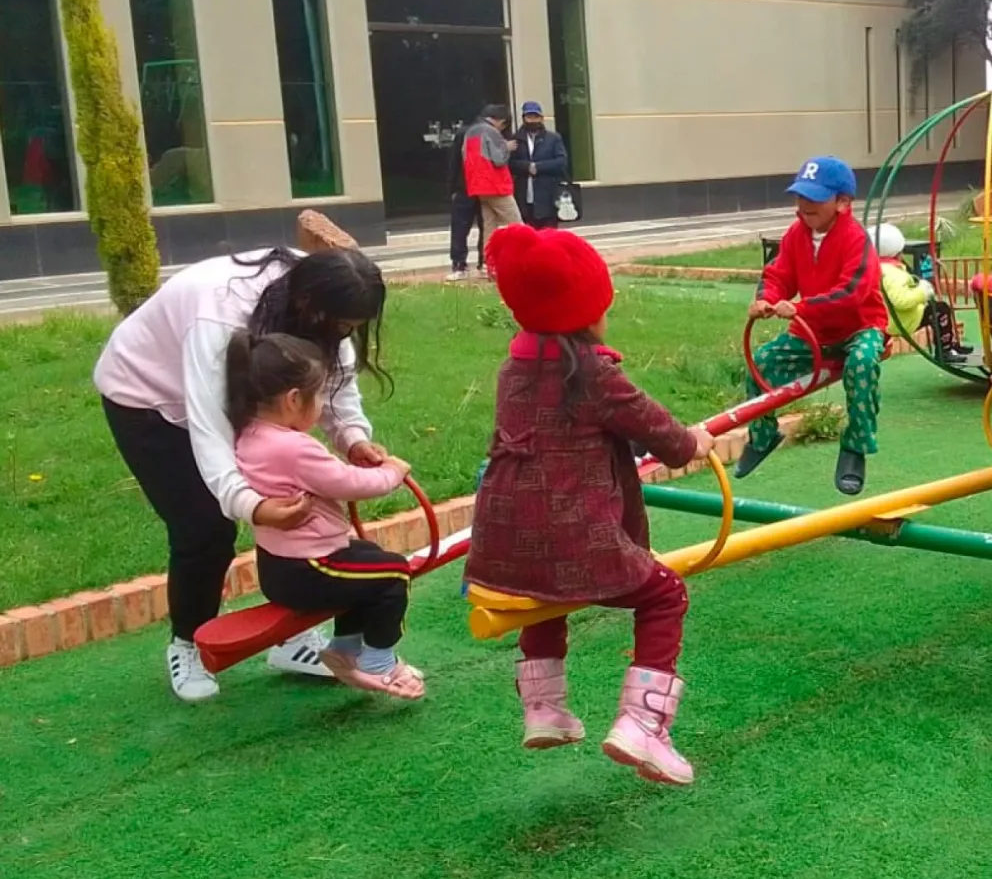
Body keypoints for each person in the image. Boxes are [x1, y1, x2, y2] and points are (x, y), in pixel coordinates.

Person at [94, 212, 394, 702]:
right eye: (342, 326)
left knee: (297, 502)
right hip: (148, 399)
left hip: (240, 392)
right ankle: (189, 642)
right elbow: (210, 426)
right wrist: (250, 505)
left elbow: (334, 377)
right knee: (205, 528)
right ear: (308, 307)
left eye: (353, 328)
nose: (345, 335)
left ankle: (291, 640)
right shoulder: (220, 314)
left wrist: (352, 438)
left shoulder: (324, 293)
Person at [465, 224, 714, 786]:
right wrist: (695, 441)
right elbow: (664, 436)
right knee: (665, 593)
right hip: (575, 539)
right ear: (587, 313)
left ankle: (544, 709)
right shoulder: (595, 375)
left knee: (544, 595)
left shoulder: (514, 369)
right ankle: (643, 724)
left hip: (502, 544)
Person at [228, 331, 425, 700]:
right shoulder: (293, 448)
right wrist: (392, 474)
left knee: (368, 556)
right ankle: (379, 661)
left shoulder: (251, 433)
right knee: (394, 572)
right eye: (319, 396)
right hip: (309, 569)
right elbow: (346, 483)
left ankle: (345, 648)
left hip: (280, 565)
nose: (321, 405)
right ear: (292, 400)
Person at [737, 156, 888, 496]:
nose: (804, 205)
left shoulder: (855, 239)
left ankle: (856, 446)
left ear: (842, 203)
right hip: (813, 331)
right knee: (762, 362)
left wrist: (801, 307)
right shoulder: (796, 234)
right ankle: (763, 435)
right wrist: (766, 299)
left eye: (815, 198)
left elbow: (852, 293)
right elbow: (778, 275)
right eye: (800, 196)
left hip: (859, 327)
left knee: (863, 363)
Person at [875, 223, 970, 364]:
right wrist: (922, 291)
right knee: (941, 310)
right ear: (898, 253)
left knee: (937, 308)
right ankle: (945, 352)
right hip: (901, 319)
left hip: (889, 317)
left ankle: (950, 345)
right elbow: (901, 300)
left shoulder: (879, 267)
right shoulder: (893, 274)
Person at [462, 105, 522, 248]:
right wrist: (506, 147)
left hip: (478, 186)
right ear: (501, 121)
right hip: (495, 185)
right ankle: (526, 256)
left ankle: (489, 259)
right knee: (517, 224)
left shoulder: (470, 132)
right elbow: (499, 160)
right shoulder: (491, 131)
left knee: (490, 227)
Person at [509, 101, 568, 230]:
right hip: (524, 194)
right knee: (527, 233)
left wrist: (538, 167)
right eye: (529, 117)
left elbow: (561, 161)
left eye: (535, 117)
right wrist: (527, 167)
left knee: (549, 234)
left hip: (548, 193)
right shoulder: (515, 139)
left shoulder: (553, 138)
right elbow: (510, 163)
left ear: (541, 118)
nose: (532, 120)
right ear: (523, 118)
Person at [446, 123, 485, 283]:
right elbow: (454, 162)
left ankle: (483, 263)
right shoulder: (464, 135)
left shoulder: (493, 134)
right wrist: (453, 189)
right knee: (460, 229)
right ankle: (459, 264)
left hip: (485, 189)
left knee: (486, 226)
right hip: (465, 189)